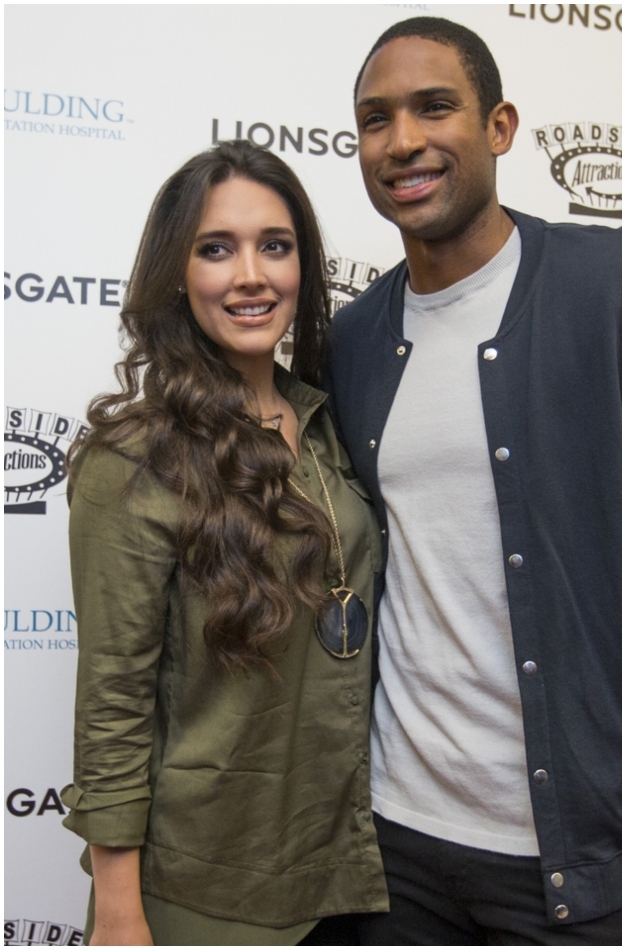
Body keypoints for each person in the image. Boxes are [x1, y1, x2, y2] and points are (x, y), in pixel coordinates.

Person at [324, 16, 622, 946]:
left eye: (434, 107)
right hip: (389, 853)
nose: (403, 140)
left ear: (500, 127)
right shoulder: (353, 339)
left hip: (589, 866)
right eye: (376, 119)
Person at [61, 140, 387, 946]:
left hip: (344, 869)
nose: (252, 274)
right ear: (178, 271)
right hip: (199, 887)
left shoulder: (326, 423)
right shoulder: (136, 457)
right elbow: (113, 699)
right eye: (217, 249)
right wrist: (119, 910)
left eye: (274, 246)